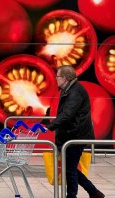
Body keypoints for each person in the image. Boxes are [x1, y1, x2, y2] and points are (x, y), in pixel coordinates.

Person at [44, 65, 104, 198]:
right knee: (69, 168)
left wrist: (50, 126)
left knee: (69, 169)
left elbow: (67, 114)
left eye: (57, 76)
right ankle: (93, 192)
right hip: (72, 135)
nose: (56, 79)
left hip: (76, 135)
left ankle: (74, 195)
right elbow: (66, 114)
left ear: (65, 78)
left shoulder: (75, 91)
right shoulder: (69, 89)